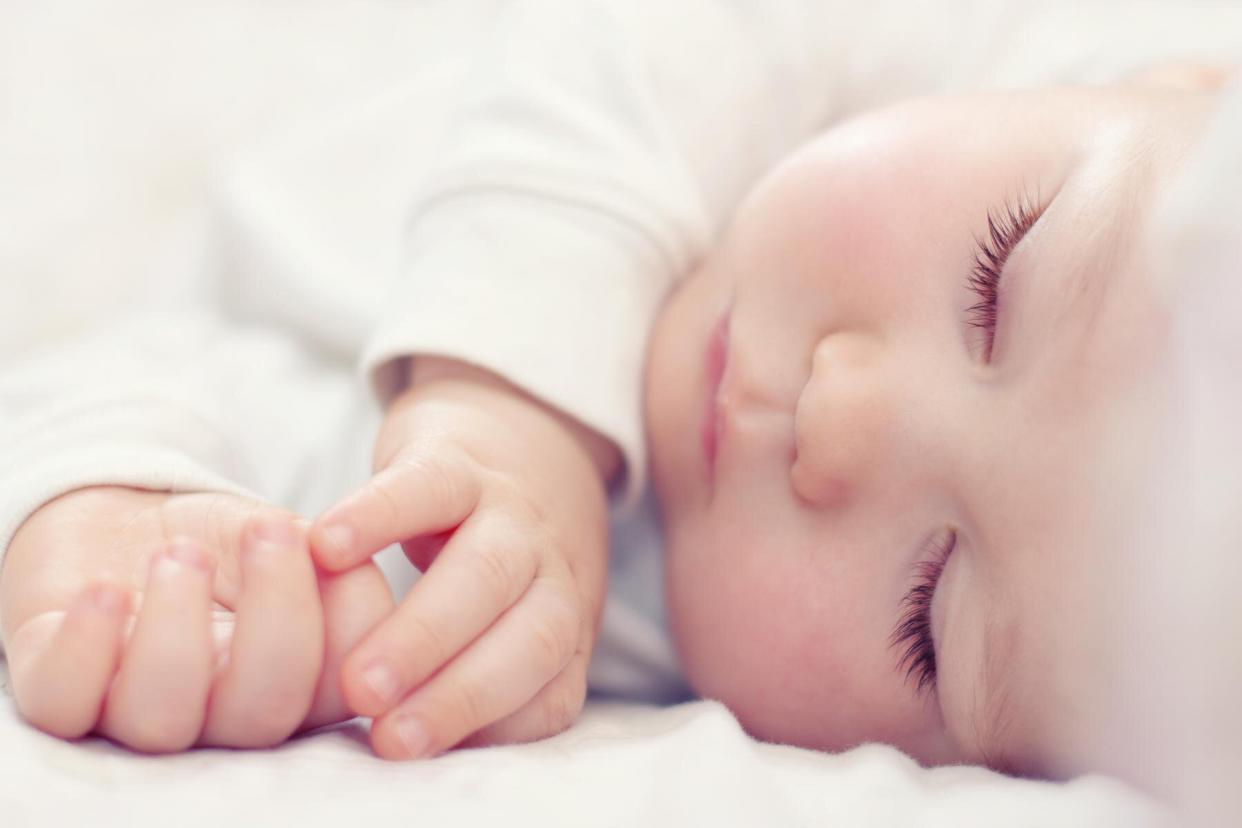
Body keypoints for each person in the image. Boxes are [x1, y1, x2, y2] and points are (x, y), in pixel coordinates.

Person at [0, 0, 1237, 794]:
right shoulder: (1000, 54)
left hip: (197, 313)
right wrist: (502, 409)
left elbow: (238, 426)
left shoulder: (623, 640)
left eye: (930, 614)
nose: (834, 416)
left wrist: (136, 535)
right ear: (1183, 74)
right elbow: (656, 42)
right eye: (995, 277)